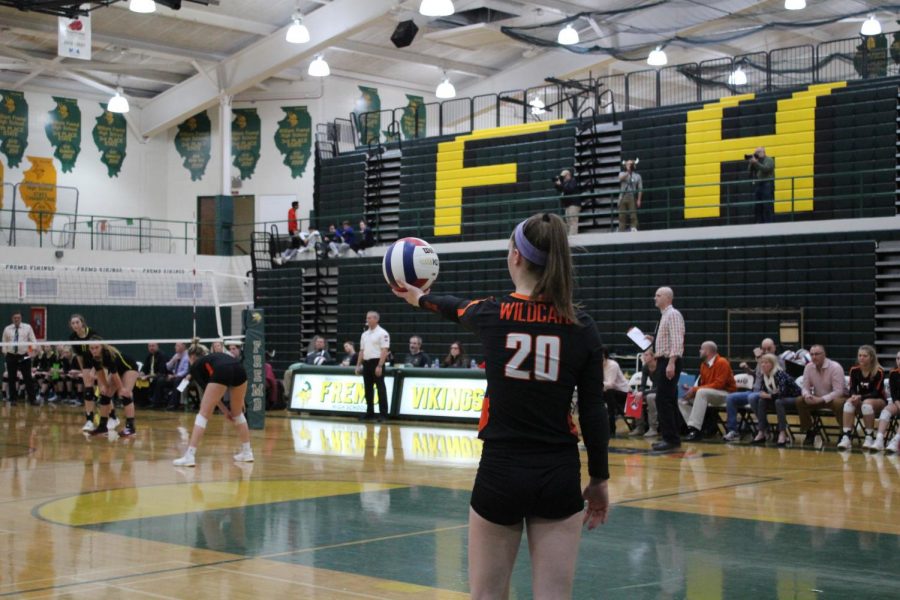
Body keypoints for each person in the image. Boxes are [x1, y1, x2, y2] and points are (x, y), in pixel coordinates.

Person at [392, 212, 609, 599]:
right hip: (558, 472)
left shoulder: (490, 314)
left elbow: (452, 306)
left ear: (515, 258)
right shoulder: (581, 326)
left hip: (501, 472)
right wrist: (600, 479)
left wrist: (419, 297)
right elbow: (594, 410)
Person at [173, 340, 254, 467]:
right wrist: (235, 404)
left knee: (203, 414)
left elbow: (209, 394)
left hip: (223, 370)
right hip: (239, 369)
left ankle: (190, 455)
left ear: (192, 357)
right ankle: (247, 452)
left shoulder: (195, 366)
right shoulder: (213, 358)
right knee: (238, 414)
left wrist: (225, 410)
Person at [646, 287, 685, 451]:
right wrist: (653, 340)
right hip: (664, 359)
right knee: (668, 400)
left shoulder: (673, 315)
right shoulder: (664, 316)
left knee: (663, 400)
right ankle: (674, 436)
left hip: (668, 360)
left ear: (668, 298)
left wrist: (671, 362)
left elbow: (677, 340)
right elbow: (669, 339)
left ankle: (670, 439)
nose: (655, 298)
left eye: (658, 295)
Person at [679, 341, 736, 441]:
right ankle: (693, 428)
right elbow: (704, 385)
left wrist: (696, 389)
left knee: (701, 392)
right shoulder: (703, 365)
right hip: (710, 394)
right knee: (682, 399)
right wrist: (691, 390)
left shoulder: (722, 362)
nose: (699, 351)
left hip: (726, 394)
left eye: (701, 349)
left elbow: (719, 384)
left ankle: (696, 429)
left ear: (707, 351)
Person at [796, 345, 847, 446]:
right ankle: (809, 430)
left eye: (817, 354)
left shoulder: (835, 367)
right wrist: (807, 395)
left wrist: (821, 399)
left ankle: (844, 432)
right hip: (817, 399)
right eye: (812, 354)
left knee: (839, 403)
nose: (814, 357)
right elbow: (805, 387)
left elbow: (838, 391)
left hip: (834, 399)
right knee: (800, 400)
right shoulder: (808, 367)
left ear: (824, 355)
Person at [837, 345, 885, 450]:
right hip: (861, 399)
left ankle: (869, 436)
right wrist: (854, 396)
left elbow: (876, 392)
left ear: (871, 357)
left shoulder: (879, 371)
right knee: (849, 402)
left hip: (878, 400)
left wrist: (860, 397)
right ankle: (846, 437)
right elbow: (852, 388)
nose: (861, 358)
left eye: (865, 356)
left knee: (867, 404)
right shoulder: (854, 370)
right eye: (860, 355)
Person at [87, 342, 140, 437]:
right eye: (92, 348)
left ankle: (130, 428)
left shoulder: (108, 355)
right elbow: (100, 374)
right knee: (105, 394)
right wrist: (105, 386)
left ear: (101, 347)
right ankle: (102, 428)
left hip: (129, 368)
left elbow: (115, 374)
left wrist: (121, 389)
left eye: (96, 347)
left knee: (125, 394)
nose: (94, 350)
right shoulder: (94, 358)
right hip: (117, 371)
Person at [747, 354, 801, 446]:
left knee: (778, 401)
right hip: (780, 399)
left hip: (795, 399)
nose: (763, 365)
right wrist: (769, 395)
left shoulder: (780, 374)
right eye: (762, 363)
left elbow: (782, 393)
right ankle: (761, 432)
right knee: (761, 401)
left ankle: (782, 433)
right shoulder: (765, 375)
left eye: (766, 363)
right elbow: (763, 392)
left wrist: (769, 395)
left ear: (772, 364)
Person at [69, 314, 102, 430]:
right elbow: (79, 356)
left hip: (100, 361)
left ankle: (112, 417)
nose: (75, 325)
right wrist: (83, 371)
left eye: (77, 322)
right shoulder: (73, 338)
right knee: (88, 391)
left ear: (82, 323)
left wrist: (95, 369)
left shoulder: (92, 333)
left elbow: (100, 353)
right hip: (87, 363)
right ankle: (89, 420)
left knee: (104, 391)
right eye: (73, 323)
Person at [356, 311, 390, 421]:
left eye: (370, 318)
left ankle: (383, 414)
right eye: (367, 318)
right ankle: (369, 412)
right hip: (366, 363)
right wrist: (358, 365)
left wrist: (380, 365)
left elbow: (384, 350)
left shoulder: (382, 333)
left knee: (381, 389)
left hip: (377, 362)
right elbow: (361, 351)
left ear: (376, 319)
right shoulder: (364, 334)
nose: (368, 320)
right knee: (368, 389)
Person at [2, 311, 37, 406]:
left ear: (21, 318)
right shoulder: (7, 329)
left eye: (18, 317)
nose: (16, 319)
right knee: (11, 378)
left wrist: (33, 350)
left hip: (24, 355)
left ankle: (32, 399)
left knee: (28, 377)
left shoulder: (27, 327)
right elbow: (4, 341)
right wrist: (5, 353)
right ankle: (13, 399)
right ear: (12, 319)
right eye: (15, 318)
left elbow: (33, 340)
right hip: (11, 355)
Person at [871, 350, 900, 452]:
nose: (899, 361)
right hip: (897, 402)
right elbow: (894, 394)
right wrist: (898, 404)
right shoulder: (893, 373)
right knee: (886, 411)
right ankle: (879, 440)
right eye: (898, 358)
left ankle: (896, 441)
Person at [629, 349, 658, 438]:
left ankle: (653, 428)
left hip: (663, 390)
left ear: (653, 357)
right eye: (643, 355)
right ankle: (639, 427)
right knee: (635, 395)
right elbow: (642, 385)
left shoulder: (660, 367)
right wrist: (639, 392)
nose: (643, 357)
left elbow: (660, 387)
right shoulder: (645, 367)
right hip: (654, 389)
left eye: (646, 355)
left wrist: (643, 393)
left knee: (649, 397)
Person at [602, 347, 630, 437]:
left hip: (624, 393)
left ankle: (611, 427)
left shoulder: (612, 365)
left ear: (605, 357)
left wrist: (596, 383)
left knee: (609, 393)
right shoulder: (597, 365)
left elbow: (610, 384)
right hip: (609, 392)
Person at [748, 146, 775, 223]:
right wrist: (751, 163)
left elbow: (766, 169)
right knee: (758, 205)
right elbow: (749, 172)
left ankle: (769, 223)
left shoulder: (769, 160)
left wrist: (756, 162)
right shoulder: (757, 161)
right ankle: (759, 223)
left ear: (764, 152)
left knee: (767, 205)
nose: (757, 154)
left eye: (758, 152)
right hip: (759, 184)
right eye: (756, 152)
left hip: (767, 184)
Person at [554, 169, 581, 235]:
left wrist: (561, 185)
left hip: (573, 204)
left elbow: (569, 189)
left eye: (564, 176)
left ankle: (573, 237)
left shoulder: (573, 181)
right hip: (568, 205)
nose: (563, 178)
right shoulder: (565, 183)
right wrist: (557, 184)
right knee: (568, 222)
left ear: (568, 175)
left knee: (573, 222)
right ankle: (570, 237)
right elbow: (560, 189)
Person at [618, 159, 642, 232]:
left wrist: (639, 199)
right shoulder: (622, 173)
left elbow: (640, 188)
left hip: (632, 196)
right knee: (622, 215)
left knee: (633, 214)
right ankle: (621, 229)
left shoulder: (637, 176)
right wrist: (628, 172)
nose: (629, 166)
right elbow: (620, 178)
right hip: (623, 196)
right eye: (627, 164)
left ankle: (633, 228)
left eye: (630, 164)